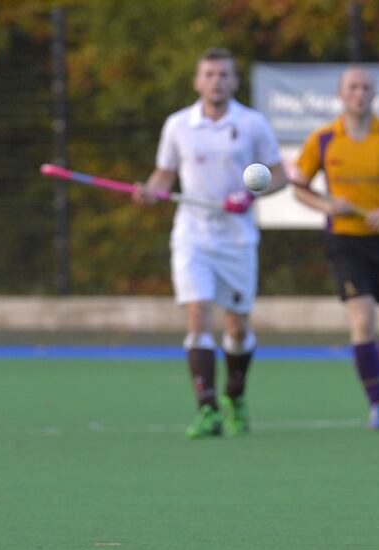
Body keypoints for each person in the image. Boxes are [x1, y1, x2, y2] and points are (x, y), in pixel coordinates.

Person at [136, 47, 287, 439]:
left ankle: (235, 394)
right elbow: (163, 177)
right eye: (208, 74)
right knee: (197, 316)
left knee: (235, 329)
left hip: (237, 241)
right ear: (197, 81)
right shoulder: (178, 125)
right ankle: (207, 409)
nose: (215, 81)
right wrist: (149, 193)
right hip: (192, 236)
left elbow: (281, 174)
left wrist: (250, 196)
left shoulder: (252, 123)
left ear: (234, 81)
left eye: (223, 75)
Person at [293, 67, 379, 430]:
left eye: (366, 87)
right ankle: (377, 403)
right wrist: (328, 207)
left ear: (374, 94)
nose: (360, 93)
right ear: (341, 94)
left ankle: (377, 371)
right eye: (353, 87)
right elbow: (299, 188)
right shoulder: (323, 140)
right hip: (344, 241)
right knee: (362, 320)